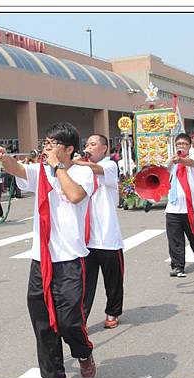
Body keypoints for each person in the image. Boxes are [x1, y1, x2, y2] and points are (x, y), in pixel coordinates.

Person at [0, 122, 96, 378]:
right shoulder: (40, 171)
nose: (46, 147)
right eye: (45, 142)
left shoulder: (82, 173)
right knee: (43, 324)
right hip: (41, 259)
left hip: (70, 260)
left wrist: (58, 167)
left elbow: (74, 196)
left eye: (53, 143)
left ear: (69, 149)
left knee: (70, 321)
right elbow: (18, 169)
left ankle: (83, 353)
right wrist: (4, 158)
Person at [74, 134, 124, 329]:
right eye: (87, 144)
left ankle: (113, 311)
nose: (88, 147)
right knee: (84, 284)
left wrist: (76, 162)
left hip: (107, 236)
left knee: (113, 280)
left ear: (104, 148)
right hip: (85, 238)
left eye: (93, 144)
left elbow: (98, 170)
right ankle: (81, 319)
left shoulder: (109, 165)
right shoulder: (78, 169)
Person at [165, 133, 194, 278]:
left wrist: (180, 159)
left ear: (189, 146)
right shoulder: (172, 161)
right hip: (173, 207)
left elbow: (190, 163)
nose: (181, 146)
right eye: (178, 144)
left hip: (190, 207)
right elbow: (162, 172)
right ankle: (178, 266)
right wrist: (172, 160)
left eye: (184, 144)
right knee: (175, 239)